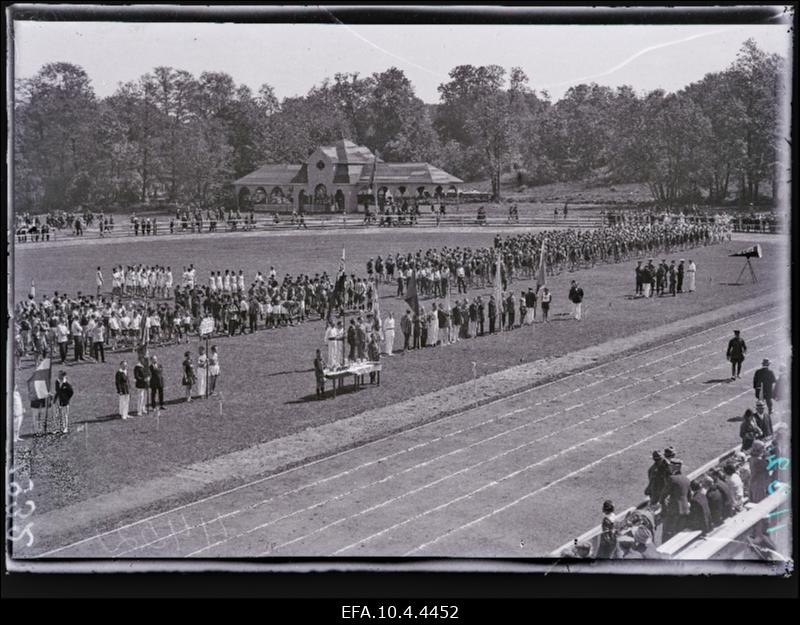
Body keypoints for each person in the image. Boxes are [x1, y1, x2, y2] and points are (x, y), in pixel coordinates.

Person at [53, 370, 74, 434]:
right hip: (57, 401)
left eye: (60, 375)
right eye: (58, 374)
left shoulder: (67, 384)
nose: (58, 376)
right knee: (56, 415)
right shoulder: (57, 381)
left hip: (64, 402)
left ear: (63, 376)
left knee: (64, 415)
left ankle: (65, 428)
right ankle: (57, 428)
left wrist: (66, 399)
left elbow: (71, 392)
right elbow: (57, 390)